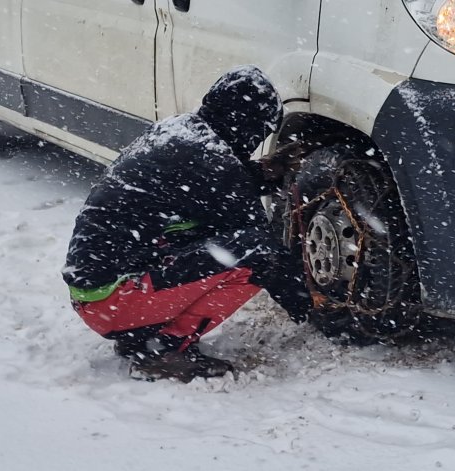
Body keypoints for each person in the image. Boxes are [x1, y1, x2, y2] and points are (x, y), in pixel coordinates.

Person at [62, 66, 312, 382]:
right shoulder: (215, 165)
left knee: (224, 246)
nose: (257, 141)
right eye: (260, 133)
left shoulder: (180, 132)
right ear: (245, 125)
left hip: (95, 293)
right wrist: (313, 305)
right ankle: (159, 350)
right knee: (260, 256)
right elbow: (262, 246)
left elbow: (206, 187)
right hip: (116, 298)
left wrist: (265, 172)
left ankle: (140, 334)